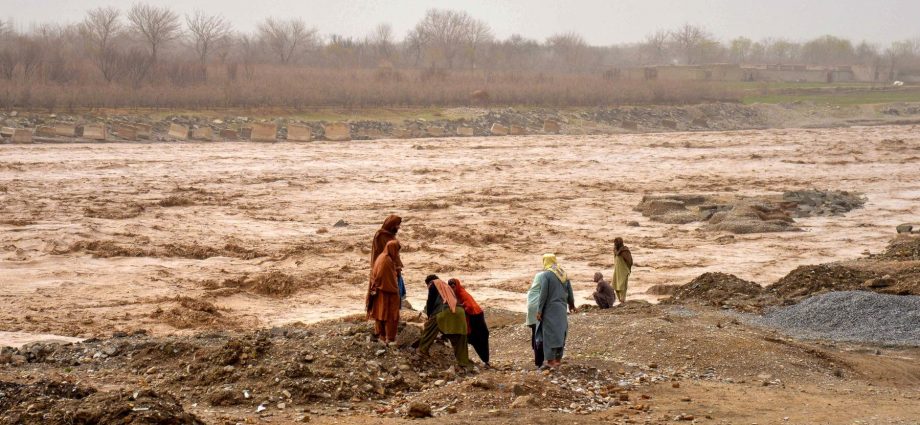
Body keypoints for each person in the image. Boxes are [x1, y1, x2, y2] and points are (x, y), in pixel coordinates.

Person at [416, 274, 473, 368]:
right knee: (459, 338)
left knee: (429, 330)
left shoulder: (434, 283)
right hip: (460, 312)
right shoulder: (447, 286)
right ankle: (463, 362)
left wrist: (429, 316)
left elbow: (430, 301)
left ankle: (422, 351)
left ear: (429, 282)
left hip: (445, 310)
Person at [367, 215, 405, 340]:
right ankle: (385, 335)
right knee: (386, 308)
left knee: (382, 308)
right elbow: (379, 256)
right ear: (391, 225)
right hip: (383, 275)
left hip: (389, 272)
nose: (398, 227)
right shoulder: (380, 236)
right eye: (397, 225)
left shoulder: (391, 238)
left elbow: (394, 255)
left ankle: (382, 334)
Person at [535, 254, 576, 368]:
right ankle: (558, 359)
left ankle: (550, 360)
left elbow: (543, 294)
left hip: (550, 309)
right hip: (562, 308)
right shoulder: (563, 273)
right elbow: (570, 291)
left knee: (549, 334)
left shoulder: (546, 275)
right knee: (560, 333)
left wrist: (539, 310)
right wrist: (571, 305)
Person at [448, 278, 490, 367]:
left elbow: (470, 306)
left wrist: (462, 307)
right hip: (472, 316)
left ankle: (485, 360)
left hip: (476, 316)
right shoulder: (456, 294)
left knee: (479, 337)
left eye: (454, 286)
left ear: (457, 286)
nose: (452, 288)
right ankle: (484, 360)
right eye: (451, 287)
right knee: (473, 338)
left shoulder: (462, 294)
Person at [367, 240, 402, 344]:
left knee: (380, 314)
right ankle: (390, 338)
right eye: (396, 250)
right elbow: (388, 280)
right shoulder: (387, 261)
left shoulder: (381, 257)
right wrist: (396, 290)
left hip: (379, 293)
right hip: (387, 293)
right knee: (391, 316)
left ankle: (381, 336)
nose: (397, 253)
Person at [525, 269, 544, 368]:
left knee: (534, 334)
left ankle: (537, 357)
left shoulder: (531, 291)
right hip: (538, 315)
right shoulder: (541, 292)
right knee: (539, 336)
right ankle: (539, 362)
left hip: (532, 317)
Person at [612, 237, 633, 303]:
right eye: (614, 243)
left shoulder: (625, 251)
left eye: (616, 243)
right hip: (617, 271)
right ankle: (620, 300)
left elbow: (630, 261)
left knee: (622, 286)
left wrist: (628, 269)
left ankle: (623, 300)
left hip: (623, 271)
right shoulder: (615, 250)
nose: (615, 244)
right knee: (615, 285)